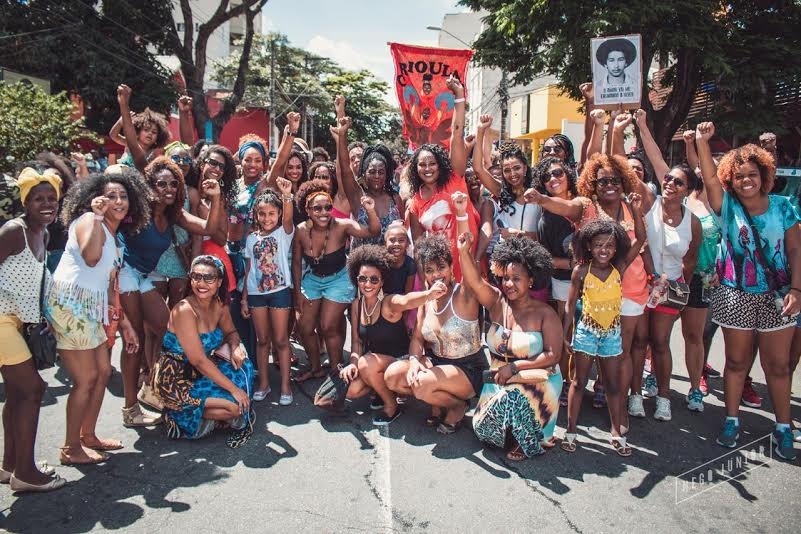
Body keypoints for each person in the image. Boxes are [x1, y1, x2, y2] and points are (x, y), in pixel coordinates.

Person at [695, 122, 801, 460]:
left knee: (778, 365)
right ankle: (731, 420)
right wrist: (702, 142)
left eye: (752, 174)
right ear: (732, 178)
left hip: (778, 296)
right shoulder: (727, 207)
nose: (746, 180)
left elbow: (797, 251)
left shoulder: (784, 207)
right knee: (736, 362)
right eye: (739, 175)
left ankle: (784, 426)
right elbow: (710, 179)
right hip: (734, 294)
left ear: (764, 174)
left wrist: (797, 289)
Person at [524, 153, 650, 430]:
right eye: (603, 180)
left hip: (631, 288)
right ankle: (587, 404)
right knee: (591, 350)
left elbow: (643, 241)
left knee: (621, 353)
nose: (609, 185)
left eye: (615, 180)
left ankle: (619, 410)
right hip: (594, 291)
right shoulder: (586, 205)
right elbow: (565, 206)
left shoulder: (632, 205)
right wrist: (542, 200)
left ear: (623, 181)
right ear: (593, 181)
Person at [47, 172, 148, 465]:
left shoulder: (115, 237)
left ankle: (87, 436)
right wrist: (96, 216)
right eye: (110, 196)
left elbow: (109, 285)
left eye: (123, 196)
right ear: (95, 198)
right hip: (71, 305)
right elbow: (91, 258)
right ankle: (70, 448)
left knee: (103, 372)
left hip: (92, 307)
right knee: (86, 378)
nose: (118, 201)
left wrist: (125, 325)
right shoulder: (89, 222)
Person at [117, 158, 224, 427]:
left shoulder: (173, 215)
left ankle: (152, 388)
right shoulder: (136, 211)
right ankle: (130, 409)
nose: (168, 188)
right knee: (135, 340)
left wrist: (216, 198)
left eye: (173, 184)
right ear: (149, 185)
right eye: (161, 183)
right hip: (123, 273)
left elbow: (209, 228)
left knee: (171, 333)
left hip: (142, 277)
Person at [385, 198, 486, 434]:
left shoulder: (464, 293)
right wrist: (413, 361)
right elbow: (418, 339)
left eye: (441, 267)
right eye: (429, 270)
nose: (435, 274)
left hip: (468, 368)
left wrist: (461, 216)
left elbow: (464, 251)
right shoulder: (426, 299)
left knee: (421, 384)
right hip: (437, 363)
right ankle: (438, 400)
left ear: (452, 269)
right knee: (393, 377)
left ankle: (457, 406)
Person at [459, 232, 563, 460]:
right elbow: (474, 282)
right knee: (484, 431)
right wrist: (463, 251)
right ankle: (514, 431)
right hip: (499, 381)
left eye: (516, 278)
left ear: (531, 280)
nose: (509, 284)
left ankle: (530, 439)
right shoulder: (496, 302)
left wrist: (515, 368)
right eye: (505, 277)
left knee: (513, 397)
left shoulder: (545, 313)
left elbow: (553, 355)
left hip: (536, 382)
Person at [0, 168, 66, 492]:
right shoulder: (15, 231)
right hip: (1, 320)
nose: (46, 204)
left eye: (51, 198)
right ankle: (26, 473)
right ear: (25, 202)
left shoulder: (45, 234)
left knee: (17, 393)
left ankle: (10, 464)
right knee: (33, 389)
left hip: (18, 323)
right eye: (38, 198)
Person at [562, 199, 645, 455]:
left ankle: (616, 431)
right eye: (598, 245)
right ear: (588, 245)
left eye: (609, 245)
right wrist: (567, 333)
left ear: (616, 247)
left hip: (611, 334)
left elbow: (640, 239)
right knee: (579, 381)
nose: (604, 250)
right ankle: (571, 430)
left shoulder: (618, 268)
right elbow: (570, 304)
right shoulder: (581, 271)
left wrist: (637, 210)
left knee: (612, 384)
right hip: (586, 332)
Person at [634, 110, 702, 420]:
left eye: (678, 181)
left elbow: (690, 263)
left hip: (668, 290)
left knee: (659, 342)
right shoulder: (651, 201)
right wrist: (642, 126)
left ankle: (663, 397)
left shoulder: (693, 222)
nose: (670, 183)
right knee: (638, 341)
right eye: (668, 178)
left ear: (688, 190)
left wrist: (673, 288)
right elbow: (654, 156)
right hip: (639, 285)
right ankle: (635, 394)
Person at [340, 245, 447, 425]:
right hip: (378, 363)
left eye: (374, 280)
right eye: (362, 279)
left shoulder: (389, 302)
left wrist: (429, 294)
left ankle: (391, 406)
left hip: (403, 361)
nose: (367, 284)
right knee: (352, 390)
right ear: (356, 279)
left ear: (382, 281)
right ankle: (384, 390)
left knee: (366, 363)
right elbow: (357, 342)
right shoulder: (357, 304)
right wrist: (351, 363)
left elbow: (406, 300)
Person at [152, 255, 254, 440]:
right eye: (196, 277)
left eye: (208, 278)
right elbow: (198, 360)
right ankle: (174, 413)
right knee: (233, 408)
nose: (201, 283)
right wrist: (233, 389)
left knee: (244, 366)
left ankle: (208, 410)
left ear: (219, 282)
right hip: (177, 379)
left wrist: (235, 347)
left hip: (202, 372)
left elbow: (231, 332)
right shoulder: (184, 310)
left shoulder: (219, 305)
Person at [292, 182, 380, 381]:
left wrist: (371, 210)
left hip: (339, 279)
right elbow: (296, 264)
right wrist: (297, 293)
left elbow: (373, 231)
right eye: (317, 208)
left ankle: (336, 369)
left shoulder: (342, 226)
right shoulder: (301, 231)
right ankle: (315, 367)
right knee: (305, 328)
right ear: (307, 210)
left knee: (328, 326)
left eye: (327, 207)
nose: (323, 212)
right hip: (313, 279)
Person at [406, 76, 479, 281]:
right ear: (415, 168)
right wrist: (426, 281)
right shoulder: (415, 202)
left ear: (441, 164)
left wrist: (458, 96)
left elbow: (456, 133)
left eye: (432, 163)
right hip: (440, 273)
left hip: (468, 264)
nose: (428, 168)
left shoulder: (454, 179)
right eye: (422, 164)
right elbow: (419, 245)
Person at [240, 179, 295, 405]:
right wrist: (244, 298)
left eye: (272, 213)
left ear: (279, 214)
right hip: (256, 294)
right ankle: (263, 383)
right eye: (262, 214)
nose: (267, 218)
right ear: (256, 215)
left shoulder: (284, 232)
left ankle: (285, 386)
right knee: (262, 341)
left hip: (280, 292)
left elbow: (289, 216)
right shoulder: (251, 238)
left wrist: (286, 194)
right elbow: (249, 269)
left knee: (281, 340)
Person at [530, 156, 579, 405]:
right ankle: (564, 382)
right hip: (558, 282)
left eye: (558, 173)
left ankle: (576, 383)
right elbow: (545, 253)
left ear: (569, 175)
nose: (553, 179)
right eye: (547, 177)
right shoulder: (545, 211)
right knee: (562, 331)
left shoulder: (581, 205)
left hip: (588, 281)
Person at [334, 101, 404, 247]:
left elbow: (402, 233)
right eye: (372, 172)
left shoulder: (395, 199)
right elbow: (345, 168)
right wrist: (342, 134)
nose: (377, 176)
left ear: (387, 174)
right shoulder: (357, 196)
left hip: (389, 266)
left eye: (381, 172)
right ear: (364, 173)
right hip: (362, 265)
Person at [474, 116, 542, 246]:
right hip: (505, 257)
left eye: (517, 168)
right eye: (506, 170)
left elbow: (545, 235)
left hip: (532, 257)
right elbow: (478, 168)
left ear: (525, 168)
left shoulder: (539, 193)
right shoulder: (501, 190)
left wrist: (518, 234)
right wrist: (480, 130)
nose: (512, 174)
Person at [113, 84, 170, 172]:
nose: (150, 133)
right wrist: (120, 122)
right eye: (146, 130)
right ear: (138, 132)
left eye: (154, 132)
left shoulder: (153, 154)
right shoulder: (129, 144)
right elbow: (114, 135)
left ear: (158, 138)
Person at [382, 222, 416, 295]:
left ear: (407, 244)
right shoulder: (381, 262)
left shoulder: (410, 264)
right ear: (385, 244)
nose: (396, 244)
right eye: (392, 240)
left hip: (401, 300)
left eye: (401, 240)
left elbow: (408, 293)